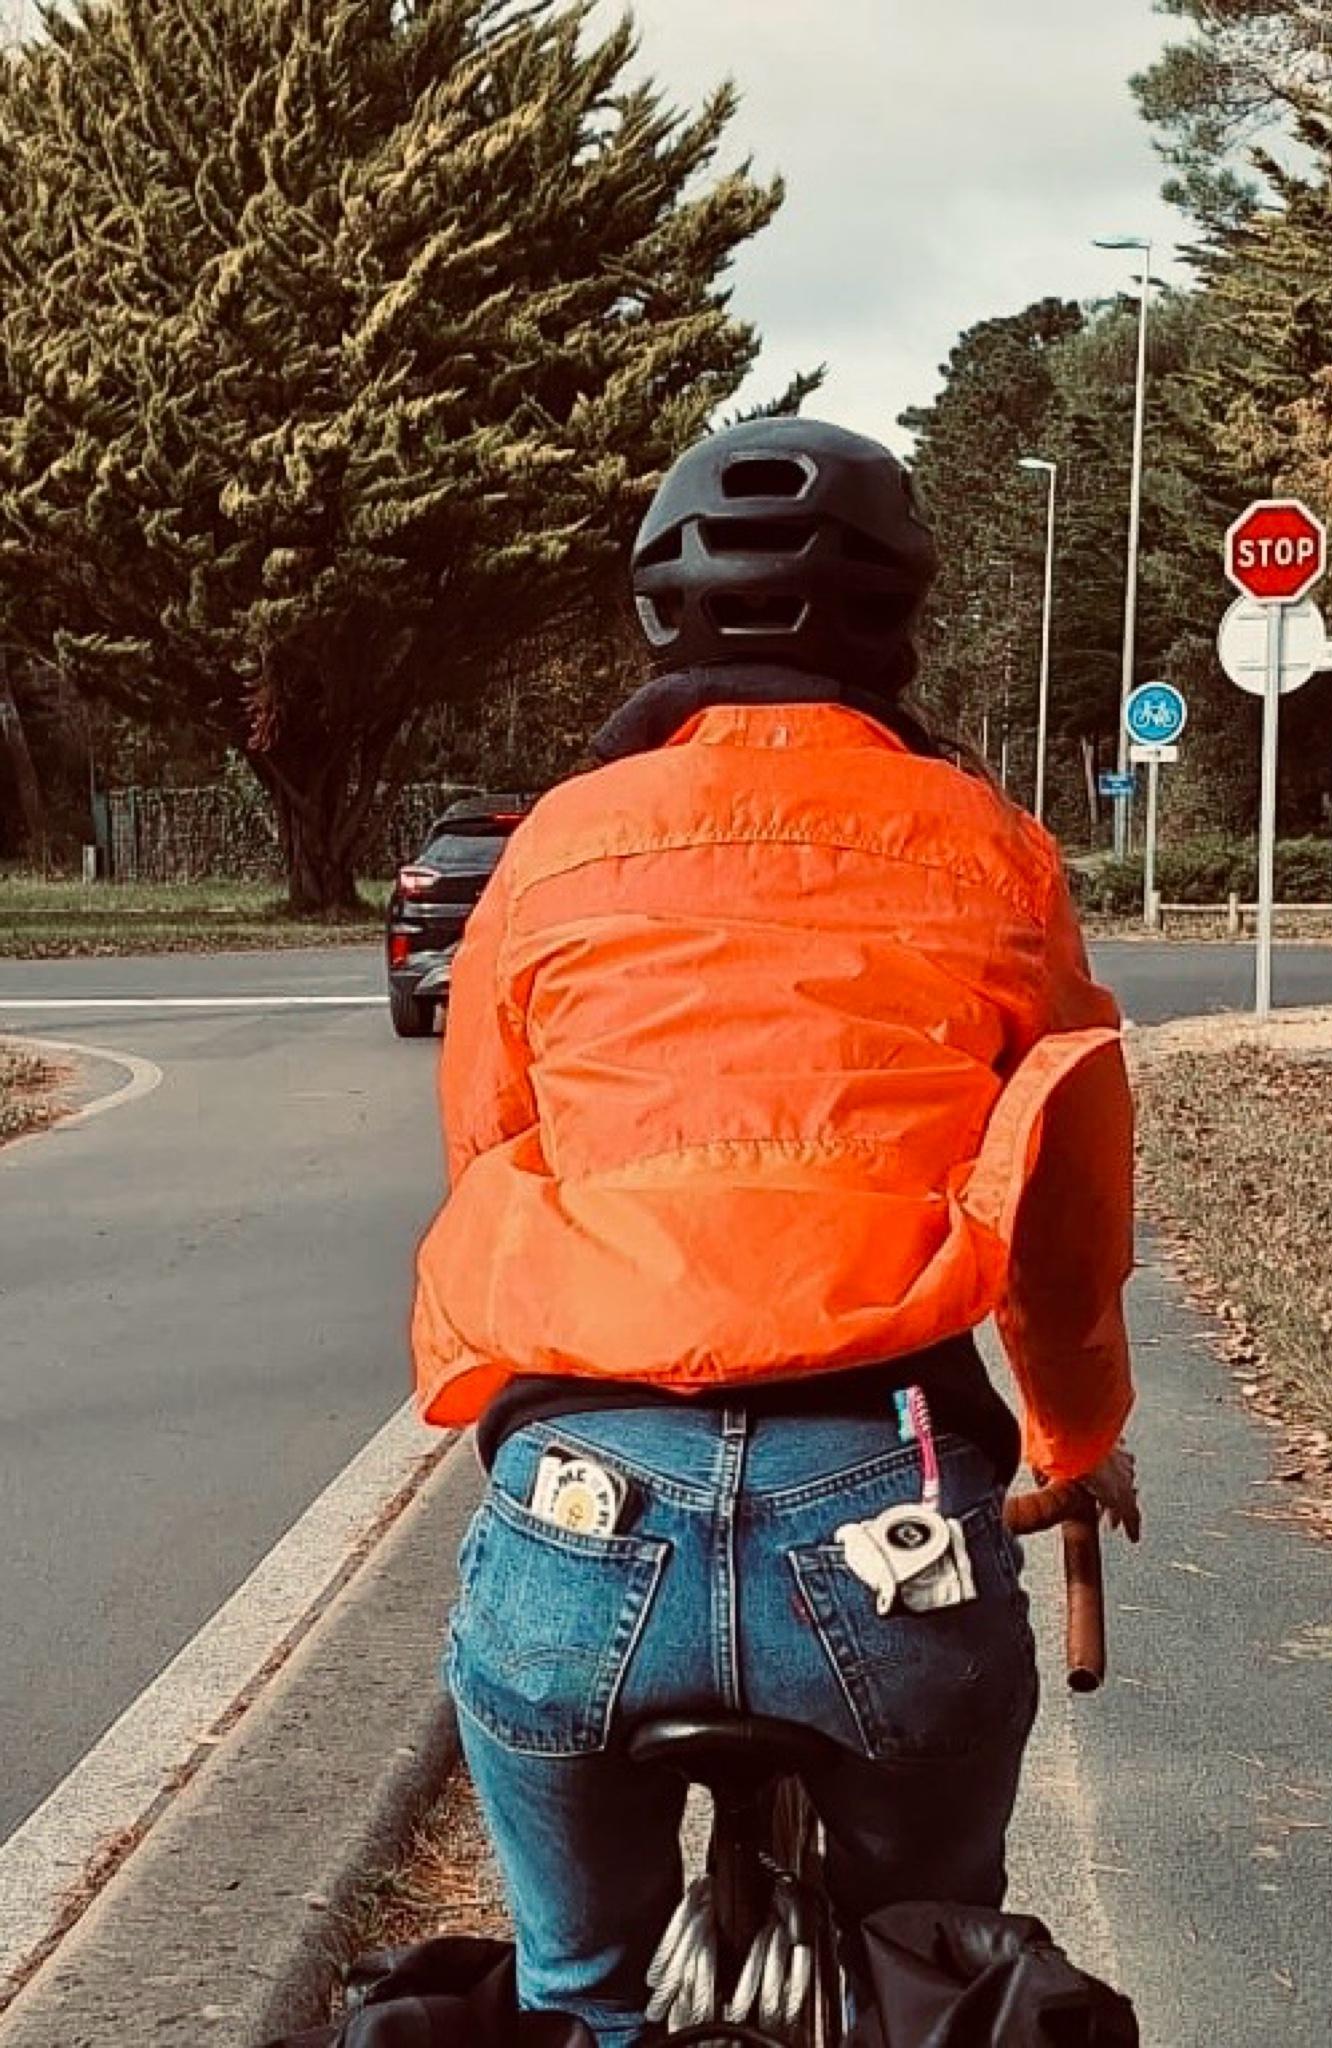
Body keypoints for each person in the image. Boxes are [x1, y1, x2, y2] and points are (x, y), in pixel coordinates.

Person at [411, 418, 1139, 2048]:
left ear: (654, 618)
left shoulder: (552, 844)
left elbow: (490, 1152)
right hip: (885, 1515)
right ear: (900, 621)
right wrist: (1077, 1435)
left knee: (577, 1987)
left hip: (581, 1517)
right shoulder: (988, 845)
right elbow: (1065, 1190)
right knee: (923, 1968)